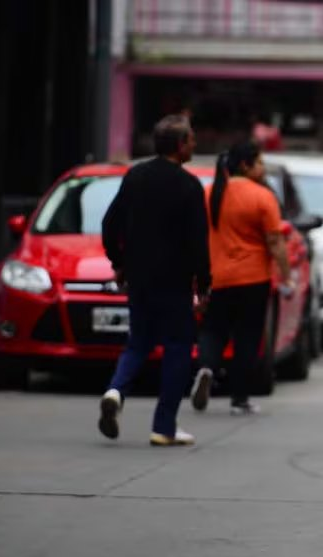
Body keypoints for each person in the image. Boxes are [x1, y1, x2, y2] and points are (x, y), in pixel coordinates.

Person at [99, 115, 210, 447]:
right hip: (175, 283)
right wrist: (203, 285)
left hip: (140, 279)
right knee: (177, 348)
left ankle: (116, 390)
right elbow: (198, 242)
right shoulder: (189, 186)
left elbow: (109, 224)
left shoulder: (135, 176)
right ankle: (164, 426)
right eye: (191, 140)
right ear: (179, 146)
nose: (195, 144)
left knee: (138, 342)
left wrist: (119, 263)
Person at [190, 141, 294, 416]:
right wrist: (286, 276)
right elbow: (275, 241)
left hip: (217, 277)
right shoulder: (262, 196)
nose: (262, 169)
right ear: (245, 165)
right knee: (246, 338)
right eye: (259, 163)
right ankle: (239, 398)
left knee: (213, 330)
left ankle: (206, 369)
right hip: (253, 279)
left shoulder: (210, 193)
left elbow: (198, 238)